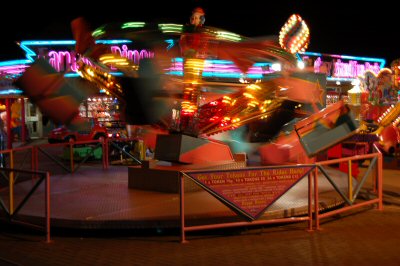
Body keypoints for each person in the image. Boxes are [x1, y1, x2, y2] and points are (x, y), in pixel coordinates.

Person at [174, 7, 207, 136]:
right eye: (192, 18)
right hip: (189, 64)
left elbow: (204, 49)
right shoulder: (187, 32)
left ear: (202, 20)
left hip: (197, 65)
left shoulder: (202, 33)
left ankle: (192, 122)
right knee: (188, 92)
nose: (194, 20)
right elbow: (183, 46)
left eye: (197, 18)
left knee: (194, 93)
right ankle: (185, 122)